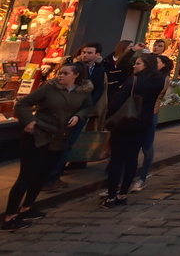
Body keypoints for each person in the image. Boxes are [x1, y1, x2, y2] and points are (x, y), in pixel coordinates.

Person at [4, 62, 92, 231]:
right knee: (26, 177)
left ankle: (27, 208)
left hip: (59, 138)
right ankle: (10, 217)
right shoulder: (49, 88)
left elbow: (87, 106)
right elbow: (23, 104)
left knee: (42, 175)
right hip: (38, 136)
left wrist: (78, 116)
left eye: (65, 73)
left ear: (76, 76)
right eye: (60, 73)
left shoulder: (83, 91)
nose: (61, 76)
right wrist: (29, 121)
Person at [103, 54, 166, 208]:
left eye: (138, 63)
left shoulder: (134, 80)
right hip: (143, 122)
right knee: (132, 157)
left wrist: (109, 117)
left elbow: (117, 102)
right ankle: (123, 194)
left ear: (146, 65)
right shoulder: (160, 80)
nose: (134, 66)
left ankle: (111, 196)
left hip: (126, 121)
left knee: (118, 158)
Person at [43, 42, 106, 191]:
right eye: (84, 52)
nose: (86, 55)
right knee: (59, 144)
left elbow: (98, 90)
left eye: (90, 53)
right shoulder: (74, 67)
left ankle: (55, 176)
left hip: (81, 112)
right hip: (65, 111)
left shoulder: (99, 70)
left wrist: (88, 106)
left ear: (97, 55)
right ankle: (49, 178)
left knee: (68, 144)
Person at [131, 54, 172, 192]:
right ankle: (126, 178)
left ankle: (142, 177)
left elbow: (156, 96)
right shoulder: (140, 77)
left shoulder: (162, 79)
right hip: (135, 114)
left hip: (151, 115)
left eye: (158, 62)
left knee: (147, 147)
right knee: (132, 148)